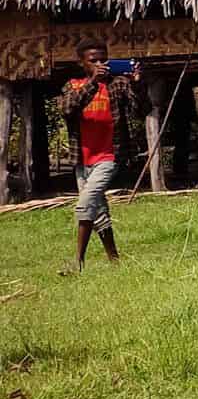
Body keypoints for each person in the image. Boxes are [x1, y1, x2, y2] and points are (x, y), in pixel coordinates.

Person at [58, 44, 139, 272]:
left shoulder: (118, 83)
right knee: (99, 211)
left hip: (109, 155)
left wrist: (137, 83)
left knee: (86, 203)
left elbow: (140, 110)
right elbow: (67, 109)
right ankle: (115, 261)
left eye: (103, 60)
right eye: (93, 61)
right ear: (82, 63)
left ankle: (77, 262)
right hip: (82, 159)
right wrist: (93, 82)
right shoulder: (72, 86)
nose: (99, 64)